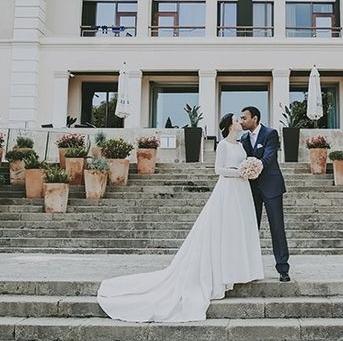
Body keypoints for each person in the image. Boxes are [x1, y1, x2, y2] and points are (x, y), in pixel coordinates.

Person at [96, 113, 264, 322]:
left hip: (242, 191)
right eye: (237, 120)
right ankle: (222, 274)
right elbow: (218, 169)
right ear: (230, 125)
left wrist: (250, 170)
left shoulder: (241, 145)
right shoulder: (222, 146)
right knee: (224, 229)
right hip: (228, 189)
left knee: (237, 230)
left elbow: (245, 162)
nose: (241, 122)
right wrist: (238, 172)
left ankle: (236, 270)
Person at [238, 106, 291, 282]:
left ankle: (283, 269)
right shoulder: (243, 138)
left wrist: (253, 167)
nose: (241, 121)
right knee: (251, 229)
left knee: (277, 227)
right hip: (251, 189)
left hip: (271, 186)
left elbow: (269, 158)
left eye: (244, 118)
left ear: (255, 118)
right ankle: (250, 269)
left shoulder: (270, 133)